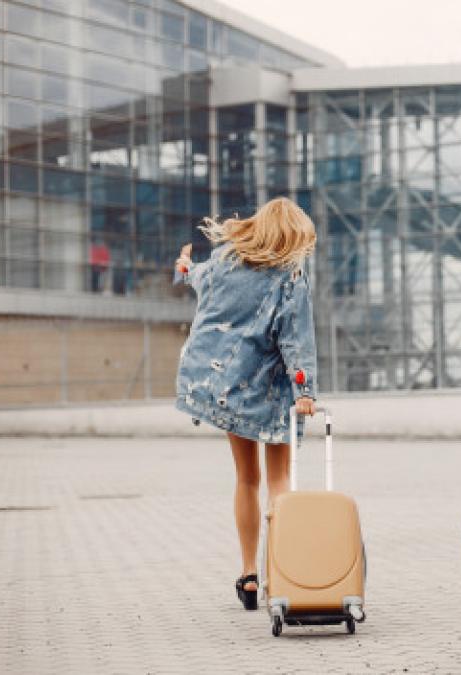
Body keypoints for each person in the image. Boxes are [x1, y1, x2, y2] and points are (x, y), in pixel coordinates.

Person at [173, 196, 318, 611]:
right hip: (270, 392)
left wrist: (181, 267)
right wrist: (305, 392)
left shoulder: (222, 261)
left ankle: (249, 575)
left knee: (245, 479)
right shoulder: (289, 276)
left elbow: (194, 277)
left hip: (228, 388)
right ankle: (282, 569)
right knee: (279, 480)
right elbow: (296, 340)